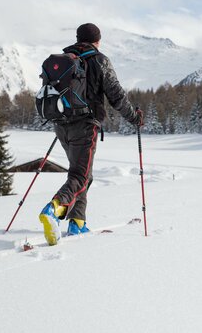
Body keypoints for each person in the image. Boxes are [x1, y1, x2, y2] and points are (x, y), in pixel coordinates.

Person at [39, 23, 144, 245]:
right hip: (85, 126)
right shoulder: (99, 60)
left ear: (78, 38)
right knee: (80, 176)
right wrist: (135, 117)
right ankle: (54, 209)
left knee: (82, 173)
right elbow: (116, 96)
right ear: (97, 40)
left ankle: (77, 223)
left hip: (61, 124)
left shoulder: (64, 59)